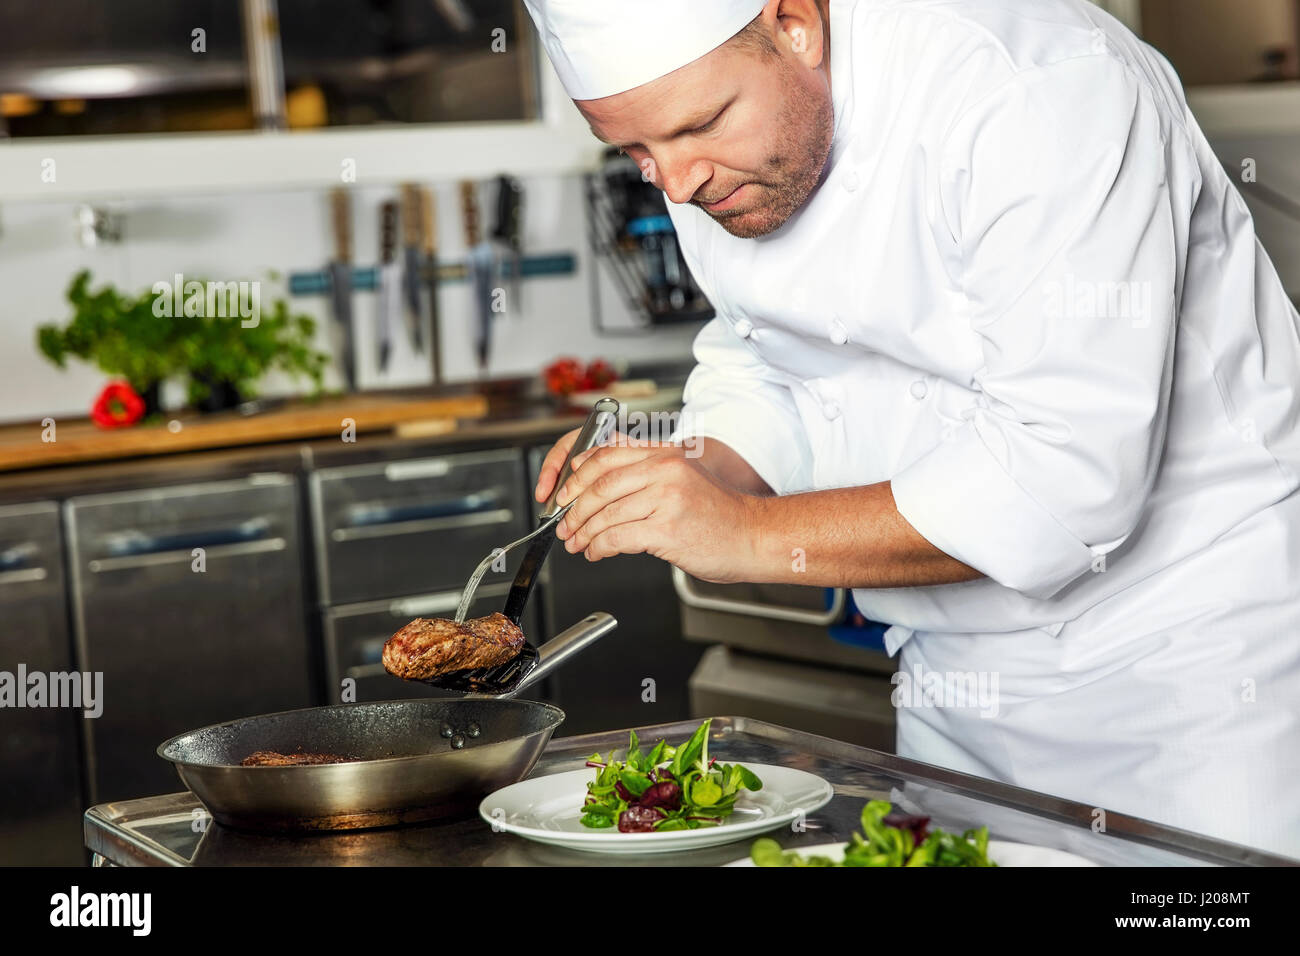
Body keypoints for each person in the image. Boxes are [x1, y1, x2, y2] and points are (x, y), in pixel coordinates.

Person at [524, 0, 1300, 856]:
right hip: (956, 690)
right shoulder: (706, 155)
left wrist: (742, 534)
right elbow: (767, 360)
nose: (676, 184)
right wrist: (689, 466)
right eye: (635, 151)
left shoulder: (1036, 86)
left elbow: (1064, 483)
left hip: (1194, 674)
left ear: (794, 24)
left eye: (699, 125)